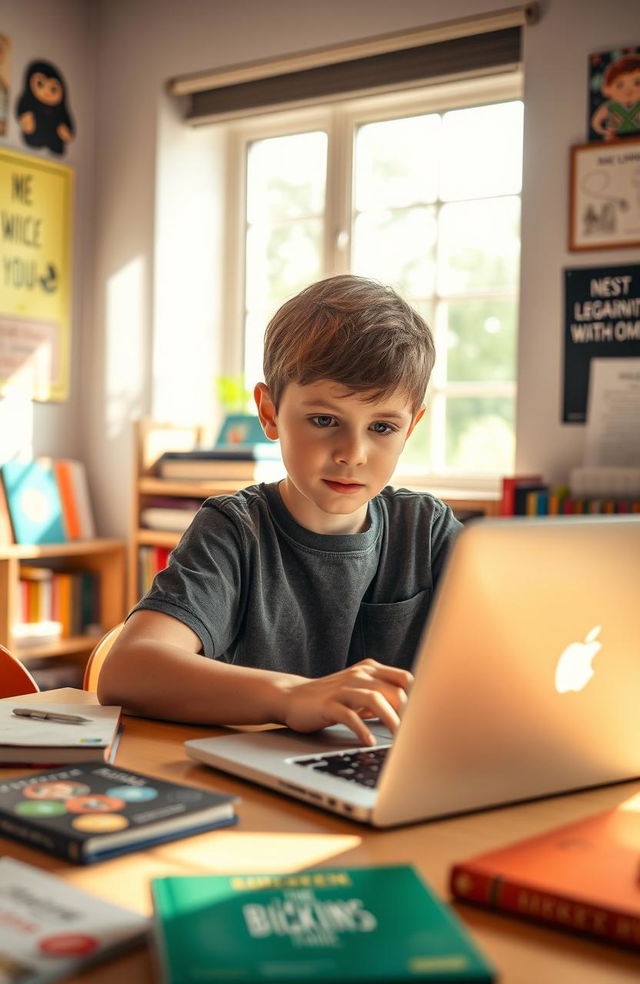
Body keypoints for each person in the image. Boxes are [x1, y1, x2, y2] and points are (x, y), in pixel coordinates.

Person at [98, 275, 462, 745]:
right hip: (250, 783)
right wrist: (293, 696)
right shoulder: (235, 530)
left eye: (382, 427)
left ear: (411, 427)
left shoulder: (427, 530)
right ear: (269, 413)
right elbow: (127, 671)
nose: (353, 453)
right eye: (324, 420)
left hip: (388, 774)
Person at [590, 54, 640, 141]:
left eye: (637, 83)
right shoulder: (609, 106)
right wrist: (604, 131)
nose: (628, 90)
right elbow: (596, 122)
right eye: (620, 85)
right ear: (607, 89)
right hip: (616, 137)